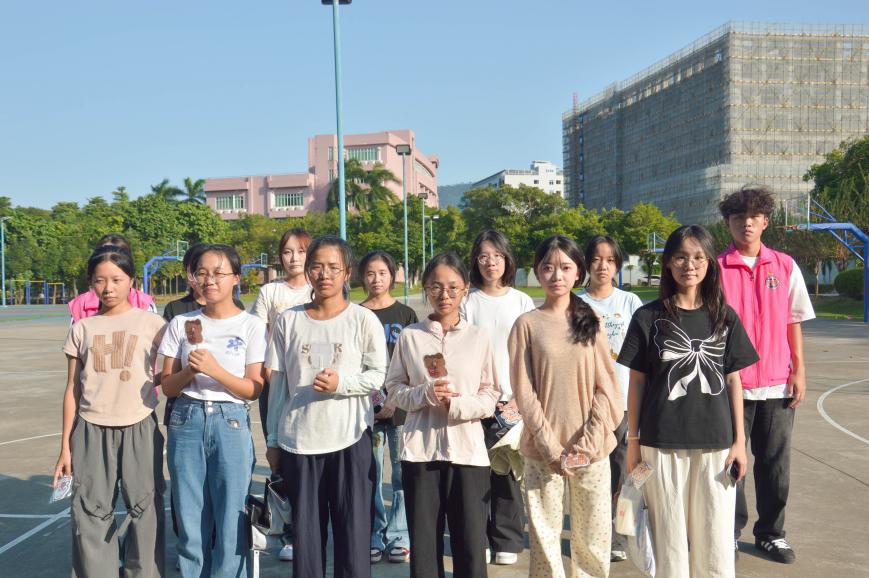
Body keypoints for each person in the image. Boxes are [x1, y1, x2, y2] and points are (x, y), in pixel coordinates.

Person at [618, 225, 759, 578]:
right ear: (668, 263)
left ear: (710, 262)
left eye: (698, 257)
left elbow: (734, 381)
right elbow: (637, 382)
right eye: (680, 257)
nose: (689, 265)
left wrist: (740, 442)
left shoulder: (724, 317)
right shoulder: (648, 317)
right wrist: (633, 442)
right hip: (660, 443)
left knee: (715, 538)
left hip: (716, 445)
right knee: (668, 540)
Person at [264, 235, 386, 578]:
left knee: (353, 537)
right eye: (316, 266)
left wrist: (341, 385)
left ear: (347, 272)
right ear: (308, 271)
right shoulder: (288, 320)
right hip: (299, 442)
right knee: (306, 540)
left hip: (350, 438)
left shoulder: (363, 320)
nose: (324, 274)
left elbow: (377, 376)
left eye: (333, 267)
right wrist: (273, 441)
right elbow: (278, 386)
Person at [508, 235, 623, 578]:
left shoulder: (591, 320)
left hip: (592, 449)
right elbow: (524, 391)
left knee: (594, 536)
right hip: (543, 451)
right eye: (548, 267)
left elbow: (606, 386)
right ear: (537, 272)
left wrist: (586, 445)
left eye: (565, 267)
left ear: (578, 273)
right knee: (544, 535)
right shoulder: (527, 325)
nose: (556, 275)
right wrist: (551, 447)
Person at [53, 246, 167, 577]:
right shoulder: (82, 329)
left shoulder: (153, 324)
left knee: (145, 509)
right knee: (90, 512)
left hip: (139, 426)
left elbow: (173, 369)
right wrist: (65, 447)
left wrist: (153, 381)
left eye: (116, 279)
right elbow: (72, 389)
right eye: (99, 280)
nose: (108, 288)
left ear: (131, 280)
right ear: (91, 283)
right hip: (91, 429)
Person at [385, 252, 500, 578]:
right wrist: (424, 394)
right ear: (426, 289)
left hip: (468, 454)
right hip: (421, 453)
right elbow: (394, 389)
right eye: (435, 287)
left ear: (465, 289)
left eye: (452, 287)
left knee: (470, 546)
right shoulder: (411, 336)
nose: (444, 295)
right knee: (424, 548)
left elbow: (490, 394)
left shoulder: (478, 337)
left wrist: (457, 405)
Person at [717, 186, 815, 564]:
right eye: (738, 217)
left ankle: (772, 534)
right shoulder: (716, 268)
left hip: (777, 383)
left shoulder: (785, 265)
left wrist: (799, 370)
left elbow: (793, 321)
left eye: (753, 217)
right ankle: (727, 533)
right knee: (731, 465)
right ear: (728, 223)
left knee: (776, 466)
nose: (746, 223)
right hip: (730, 385)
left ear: (765, 222)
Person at [159, 244, 267, 577]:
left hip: (230, 420)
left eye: (218, 273)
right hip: (186, 418)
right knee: (190, 516)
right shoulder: (181, 322)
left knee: (232, 514)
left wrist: (215, 370)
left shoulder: (251, 326)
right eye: (201, 273)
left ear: (236, 277)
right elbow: (167, 386)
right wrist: (190, 371)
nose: (209, 280)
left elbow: (254, 388)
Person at [461, 229, 534, 566]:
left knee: (507, 472)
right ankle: (477, 539)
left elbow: (531, 354)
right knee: (474, 474)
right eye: (484, 256)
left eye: (498, 256)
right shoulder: (467, 301)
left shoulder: (521, 301)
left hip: (511, 401)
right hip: (476, 401)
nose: (491, 262)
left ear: (507, 259)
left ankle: (506, 539)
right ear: (476, 261)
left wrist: (520, 398)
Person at [577, 235, 643, 563]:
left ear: (618, 264)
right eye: (596, 259)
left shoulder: (629, 302)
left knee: (622, 471)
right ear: (586, 263)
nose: (603, 266)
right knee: (589, 470)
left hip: (624, 402)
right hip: (586, 404)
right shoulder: (575, 303)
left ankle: (617, 537)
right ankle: (590, 534)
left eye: (610, 260)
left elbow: (645, 350)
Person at [249, 227, 312, 563]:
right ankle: (287, 531)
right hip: (277, 386)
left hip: (313, 387)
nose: (294, 258)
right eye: (287, 252)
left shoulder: (320, 287)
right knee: (279, 456)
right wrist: (267, 372)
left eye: (301, 251)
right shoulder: (270, 291)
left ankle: (311, 529)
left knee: (309, 458)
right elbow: (257, 333)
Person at [358, 250, 418, 565]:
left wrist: (394, 399)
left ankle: (400, 535)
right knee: (370, 473)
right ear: (361, 276)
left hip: (400, 409)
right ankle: (373, 534)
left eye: (382, 273)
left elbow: (414, 363)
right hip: (365, 408)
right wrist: (371, 398)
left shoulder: (406, 315)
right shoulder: (355, 314)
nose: (376, 279)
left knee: (400, 473)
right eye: (370, 273)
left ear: (392, 275)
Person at [68, 234, 156, 322]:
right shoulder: (80, 306)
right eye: (103, 252)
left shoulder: (144, 304)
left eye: (117, 255)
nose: (108, 289)